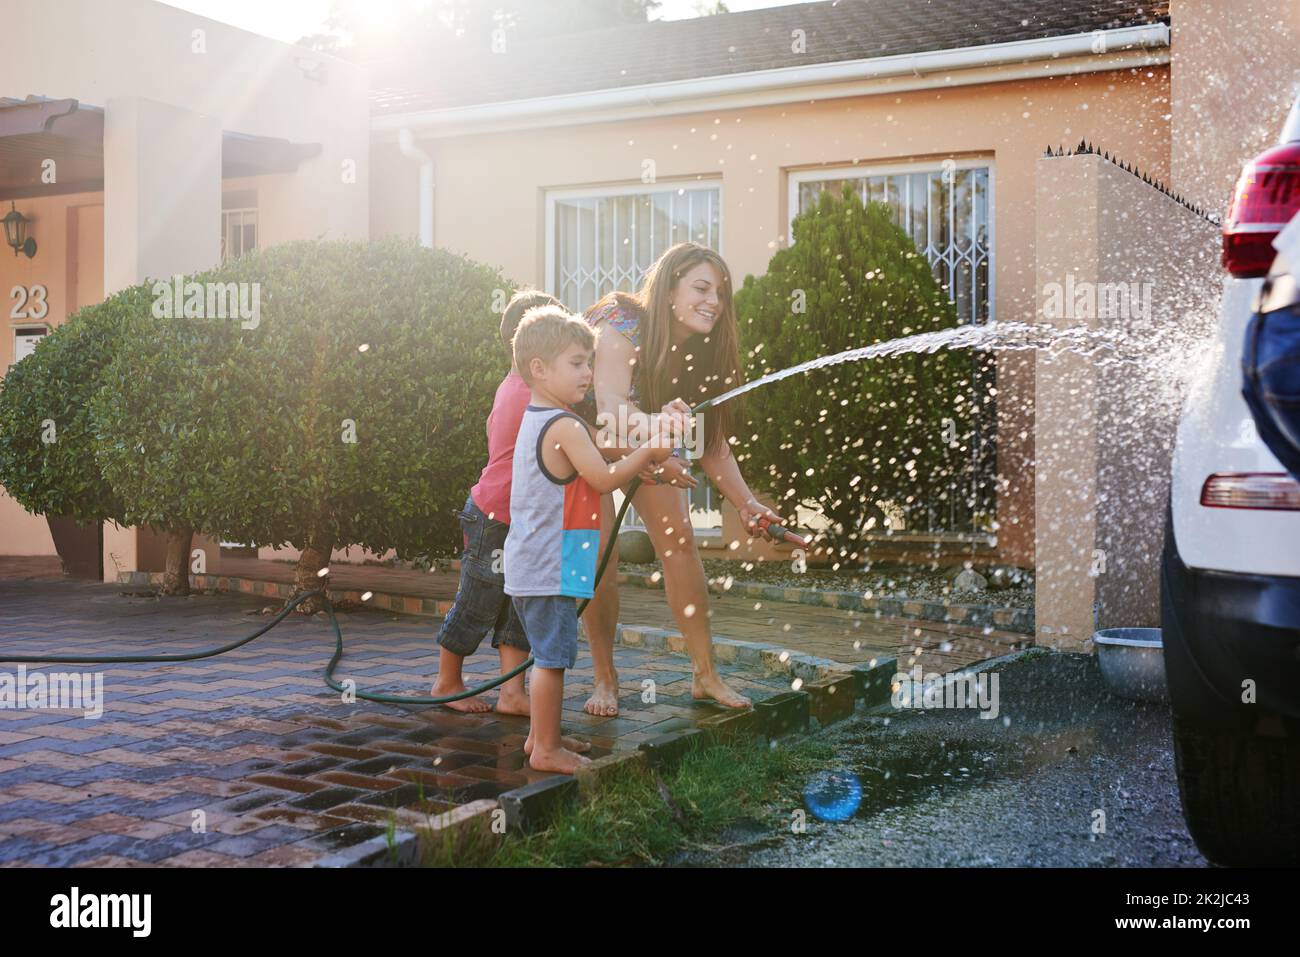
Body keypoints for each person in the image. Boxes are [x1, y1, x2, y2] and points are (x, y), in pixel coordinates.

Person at [576, 242, 785, 715]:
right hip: (583, 441)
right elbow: (608, 408)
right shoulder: (622, 320)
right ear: (670, 287)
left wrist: (747, 503)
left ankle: (705, 675)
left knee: (680, 544)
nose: (714, 300)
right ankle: (605, 680)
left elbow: (710, 442)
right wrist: (657, 433)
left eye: (721, 292)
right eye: (701, 288)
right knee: (595, 560)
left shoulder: (704, 351)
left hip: (643, 440)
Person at [504, 304, 685, 772]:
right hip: (548, 567)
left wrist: (648, 454)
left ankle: (539, 739)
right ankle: (546, 749)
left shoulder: (544, 417)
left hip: (537, 562)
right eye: (577, 363)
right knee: (551, 659)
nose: (589, 373)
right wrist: (651, 448)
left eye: (590, 361)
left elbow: (602, 454)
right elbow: (604, 479)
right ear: (539, 369)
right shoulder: (563, 425)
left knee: (550, 653)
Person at [430, 289, 570, 720]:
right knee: (478, 599)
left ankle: (512, 693)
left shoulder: (527, 390)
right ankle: (447, 682)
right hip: (495, 517)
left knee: (516, 607)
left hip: (520, 520)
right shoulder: (524, 396)